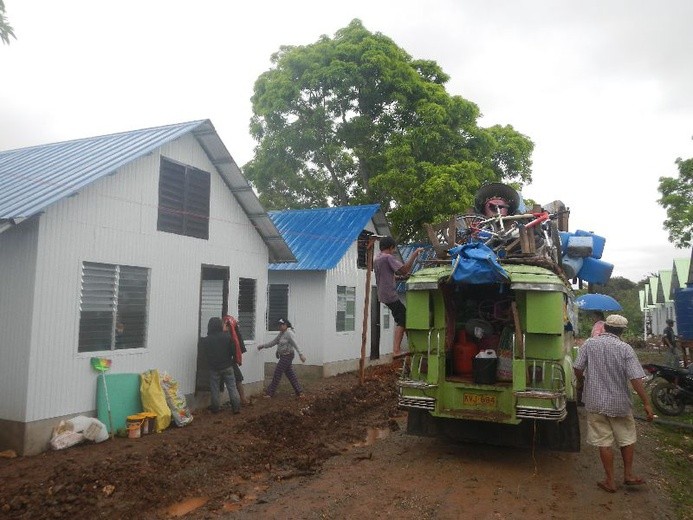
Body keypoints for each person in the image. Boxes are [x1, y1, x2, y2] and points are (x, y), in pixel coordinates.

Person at [573, 314, 654, 493]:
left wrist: (583, 382)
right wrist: (646, 403)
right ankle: (628, 475)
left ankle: (610, 481)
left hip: (595, 402)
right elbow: (635, 378)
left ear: (605, 327)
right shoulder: (625, 349)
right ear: (622, 331)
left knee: (604, 441)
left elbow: (577, 368)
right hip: (620, 403)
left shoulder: (589, 344)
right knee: (626, 437)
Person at [373, 237, 423, 357]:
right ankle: (396, 350)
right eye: (393, 248)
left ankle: (411, 344)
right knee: (402, 318)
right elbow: (405, 270)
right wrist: (414, 254)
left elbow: (388, 275)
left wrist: (401, 278)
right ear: (390, 247)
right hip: (390, 294)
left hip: (382, 293)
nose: (393, 251)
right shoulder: (388, 257)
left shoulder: (377, 258)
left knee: (402, 316)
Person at [199, 317, 241, 414]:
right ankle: (236, 408)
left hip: (214, 368)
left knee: (215, 388)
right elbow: (233, 351)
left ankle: (216, 408)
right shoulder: (227, 337)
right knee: (232, 387)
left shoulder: (206, 340)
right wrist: (233, 360)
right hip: (227, 366)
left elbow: (205, 355)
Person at [257, 318, 306, 398]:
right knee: (290, 374)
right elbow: (274, 342)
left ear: (286, 325)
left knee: (277, 373)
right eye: (279, 325)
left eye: (281, 325)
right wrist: (263, 346)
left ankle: (270, 393)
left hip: (288, 355)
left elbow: (296, 344)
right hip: (283, 356)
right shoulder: (281, 333)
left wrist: (301, 354)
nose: (279, 326)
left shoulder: (289, 333)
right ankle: (300, 392)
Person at [223, 315, 250, 406]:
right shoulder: (227, 336)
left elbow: (237, 347)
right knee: (236, 380)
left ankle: (242, 399)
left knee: (238, 379)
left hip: (230, 361)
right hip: (227, 362)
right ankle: (240, 400)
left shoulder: (232, 334)